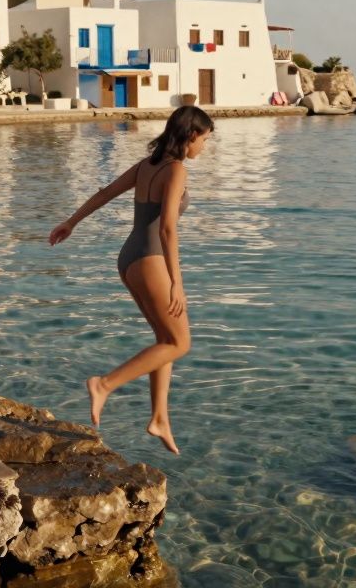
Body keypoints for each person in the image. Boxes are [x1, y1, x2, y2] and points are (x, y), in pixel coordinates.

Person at [48, 105, 215, 454]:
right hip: (152, 259)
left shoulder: (146, 166)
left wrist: (71, 222)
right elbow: (168, 228)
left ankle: (159, 418)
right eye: (204, 139)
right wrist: (176, 282)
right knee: (180, 343)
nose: (204, 147)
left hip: (128, 258)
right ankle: (104, 384)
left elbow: (105, 192)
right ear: (189, 137)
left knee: (163, 340)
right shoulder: (176, 170)